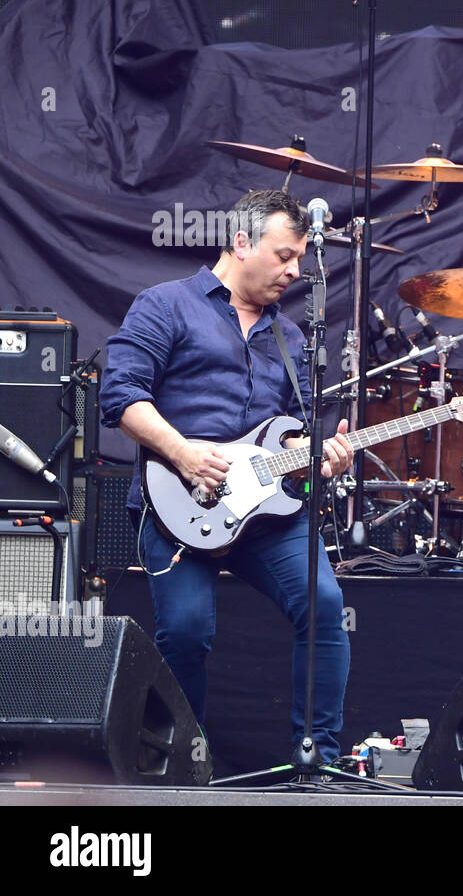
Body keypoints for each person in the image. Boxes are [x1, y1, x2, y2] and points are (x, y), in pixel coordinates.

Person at [100, 189, 356, 761]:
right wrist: (183, 451)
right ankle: (184, 766)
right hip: (179, 504)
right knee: (187, 633)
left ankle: (318, 761)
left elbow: (295, 436)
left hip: (265, 513)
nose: (295, 271)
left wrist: (320, 460)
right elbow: (119, 396)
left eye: (299, 258)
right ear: (242, 242)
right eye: (285, 255)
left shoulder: (290, 338)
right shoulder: (166, 304)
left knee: (322, 605)